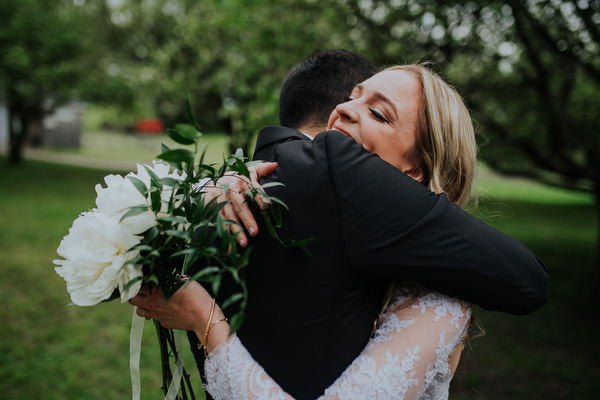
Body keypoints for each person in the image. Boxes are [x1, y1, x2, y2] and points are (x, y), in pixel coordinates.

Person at [131, 59, 549, 399]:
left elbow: (528, 280)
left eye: (378, 112)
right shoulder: (265, 191)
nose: (344, 109)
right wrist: (215, 183)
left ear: (414, 172)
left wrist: (208, 323)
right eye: (353, 97)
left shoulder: (439, 302)